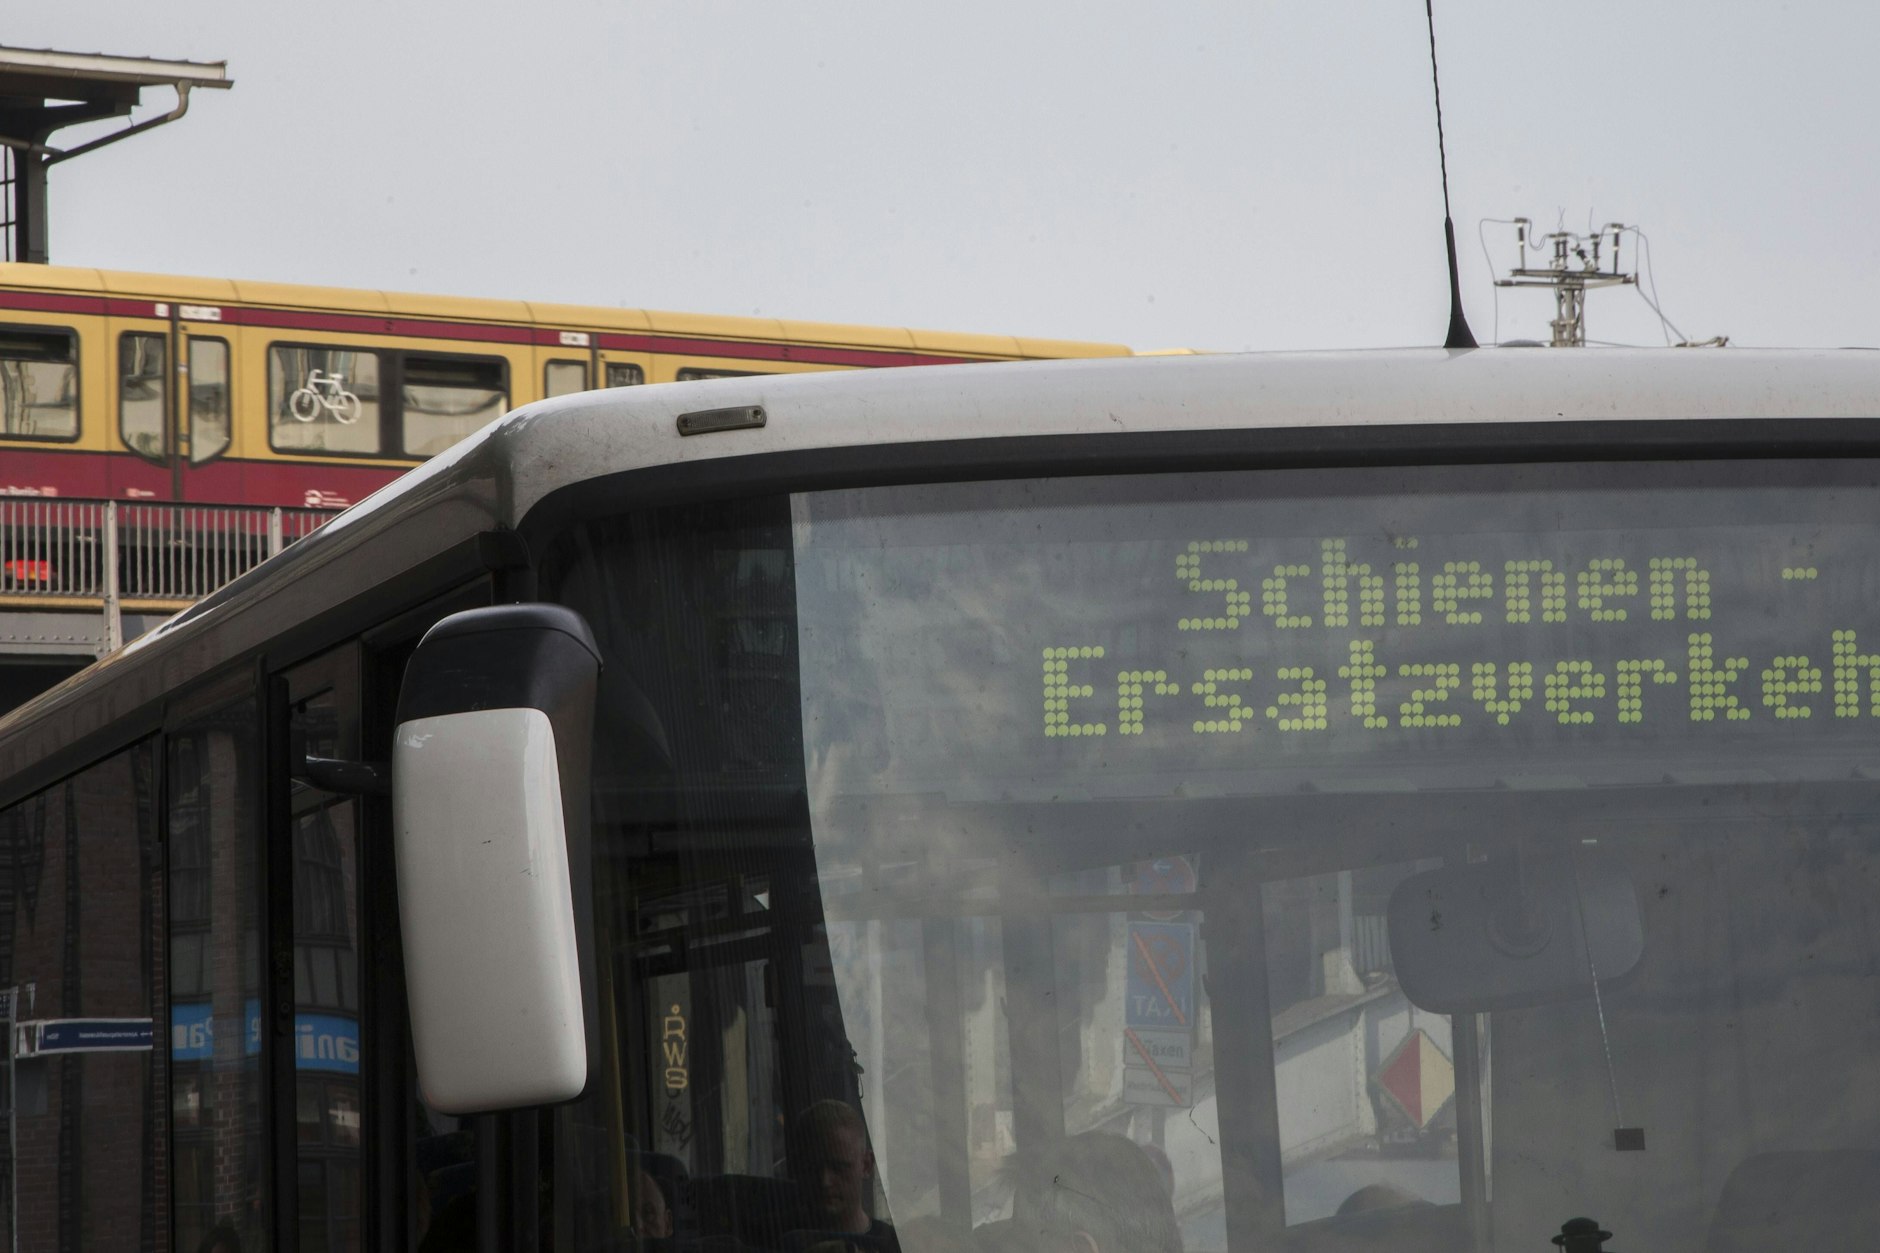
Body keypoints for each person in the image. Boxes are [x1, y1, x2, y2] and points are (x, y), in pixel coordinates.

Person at [787, 1099, 901, 1252]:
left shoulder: (896, 1245)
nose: (825, 1181)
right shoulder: (771, 1237)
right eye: (812, 1168)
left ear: (866, 1165)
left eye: (838, 1168)